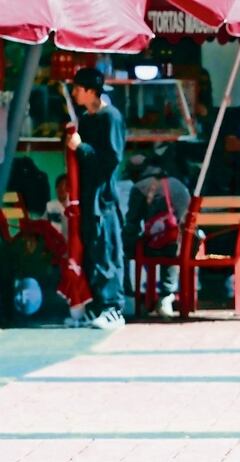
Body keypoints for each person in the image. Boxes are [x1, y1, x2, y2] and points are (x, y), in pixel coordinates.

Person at [67, 67, 127, 331]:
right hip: (87, 197)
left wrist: (81, 147)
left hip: (103, 199)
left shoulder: (110, 117)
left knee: (106, 251)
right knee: (93, 251)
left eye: (78, 89)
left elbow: (111, 159)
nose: (74, 93)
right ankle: (97, 305)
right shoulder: (86, 119)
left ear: (91, 91)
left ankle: (113, 308)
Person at [122, 154, 191, 318]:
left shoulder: (140, 187)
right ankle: (166, 294)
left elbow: (132, 224)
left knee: (120, 250)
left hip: (159, 246)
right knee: (171, 242)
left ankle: (130, 297)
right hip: (187, 246)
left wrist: (124, 242)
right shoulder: (178, 184)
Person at [45, 174, 70, 238]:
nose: (62, 189)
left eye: (65, 186)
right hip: (55, 240)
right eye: (59, 187)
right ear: (56, 189)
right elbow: (43, 223)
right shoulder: (50, 205)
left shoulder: (73, 206)